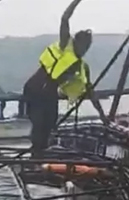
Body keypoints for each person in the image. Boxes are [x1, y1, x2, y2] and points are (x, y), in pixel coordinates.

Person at [22, 0, 108, 157]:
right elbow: (64, 19)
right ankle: (35, 157)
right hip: (35, 88)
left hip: (49, 94)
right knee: (39, 124)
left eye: (88, 46)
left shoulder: (82, 67)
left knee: (50, 125)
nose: (85, 49)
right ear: (76, 42)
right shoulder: (64, 45)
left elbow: (91, 93)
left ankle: (41, 157)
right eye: (84, 45)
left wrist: (104, 118)